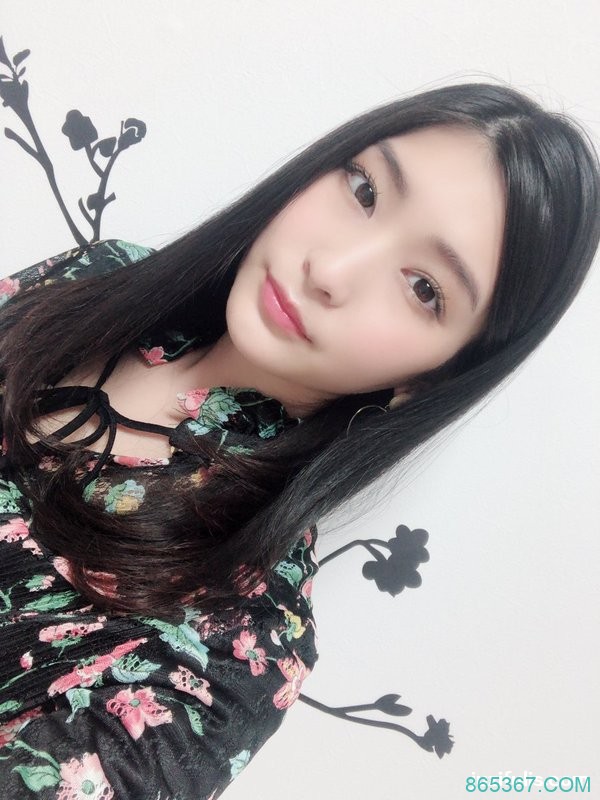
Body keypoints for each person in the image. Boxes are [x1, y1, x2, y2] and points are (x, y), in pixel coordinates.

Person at [0, 81, 599, 798]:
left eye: (424, 288)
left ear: (435, 377)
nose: (331, 270)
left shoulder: (233, 655)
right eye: (364, 189)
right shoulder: (102, 274)